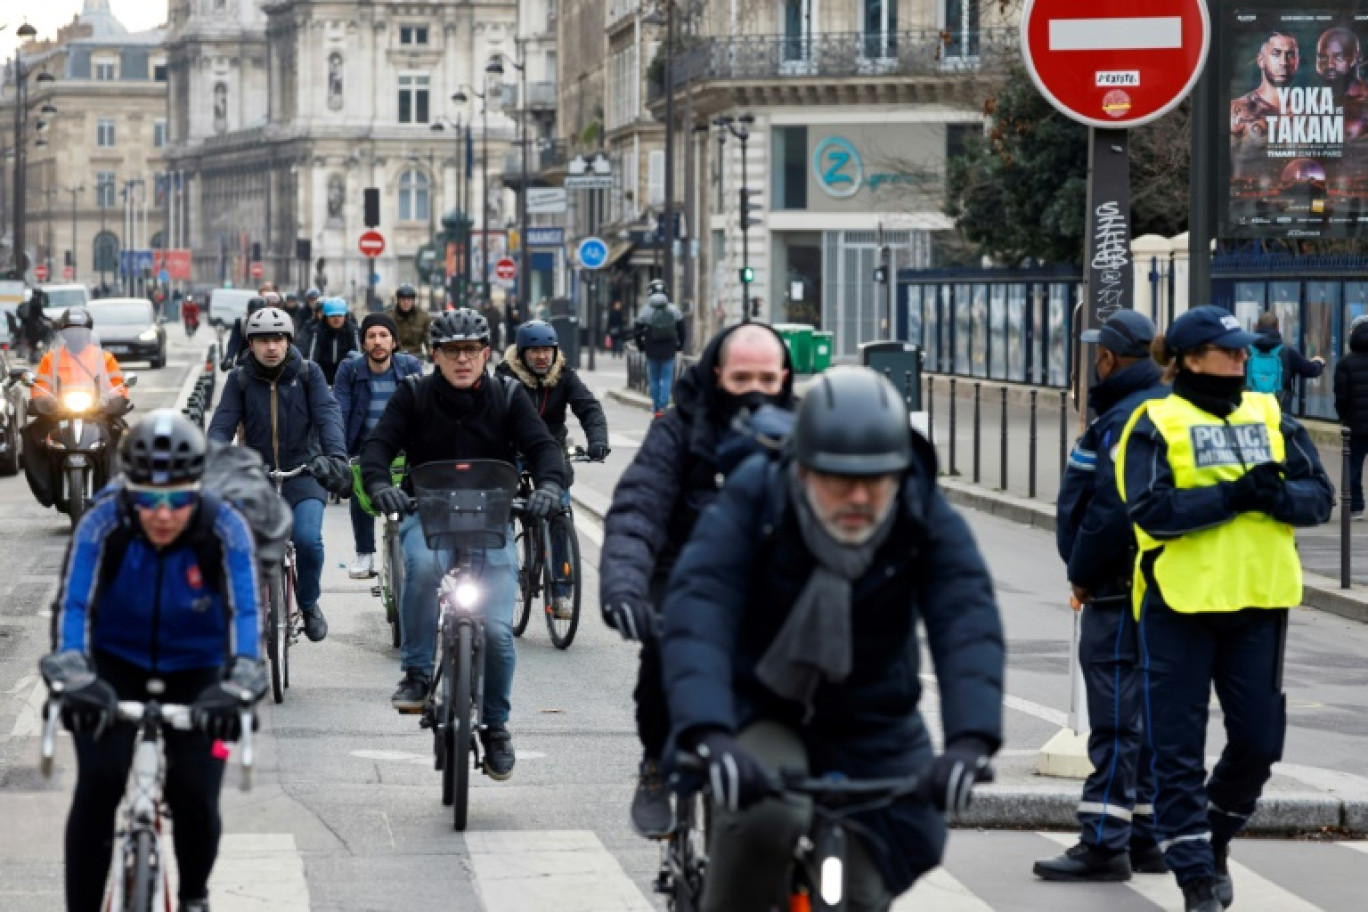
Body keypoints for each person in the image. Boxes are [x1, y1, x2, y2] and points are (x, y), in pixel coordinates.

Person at [661, 367, 1004, 911]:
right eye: (840, 480)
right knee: (765, 819)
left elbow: (966, 618)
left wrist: (971, 740)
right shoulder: (758, 494)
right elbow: (700, 606)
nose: (861, 497)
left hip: (874, 718)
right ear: (802, 472)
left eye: (877, 480)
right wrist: (710, 731)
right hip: (762, 705)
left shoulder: (921, 512)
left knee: (872, 884)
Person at [1116, 305, 1334, 912]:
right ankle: (1195, 880)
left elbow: (1321, 498)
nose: (1242, 359)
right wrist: (1233, 496)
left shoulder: (1271, 414)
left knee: (1260, 745)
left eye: (1243, 350)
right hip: (1179, 605)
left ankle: (1211, 838)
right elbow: (1152, 511)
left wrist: (1280, 497)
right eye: (1229, 351)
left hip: (1259, 602)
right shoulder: (1155, 421)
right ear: (1188, 359)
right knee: (1177, 751)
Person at [42, 410, 268, 912]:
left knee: (195, 791)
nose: (163, 514)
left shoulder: (224, 525)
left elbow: (246, 612)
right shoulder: (103, 519)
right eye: (148, 499)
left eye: (178, 499)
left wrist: (239, 684)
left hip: (199, 669)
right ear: (129, 492)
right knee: (98, 784)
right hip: (111, 666)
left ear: (197, 490)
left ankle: (193, 896)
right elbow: (72, 606)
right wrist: (73, 676)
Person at [600, 323, 795, 837]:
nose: (754, 389)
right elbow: (638, 508)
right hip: (682, 579)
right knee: (664, 656)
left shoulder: (804, 434)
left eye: (767, 378)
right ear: (716, 375)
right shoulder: (678, 429)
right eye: (741, 377)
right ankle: (656, 768)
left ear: (785, 379)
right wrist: (624, 586)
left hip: (771, 584)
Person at [360, 308, 567, 778]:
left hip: (492, 521)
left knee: (496, 632)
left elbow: (543, 448)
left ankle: (496, 727)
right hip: (428, 516)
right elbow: (378, 448)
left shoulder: (509, 396)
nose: (462, 360)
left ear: (486, 354)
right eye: (452, 351)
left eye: (471, 350)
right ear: (435, 355)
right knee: (423, 567)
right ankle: (415, 673)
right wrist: (380, 485)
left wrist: (550, 487)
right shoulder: (412, 395)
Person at [1034, 311, 1169, 884]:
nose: (1094, 363)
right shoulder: (1156, 409)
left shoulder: (1122, 418)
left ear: (1110, 359)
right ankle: (1144, 835)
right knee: (1145, 717)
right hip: (1152, 589)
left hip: (1117, 588)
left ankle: (1103, 843)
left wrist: (1083, 572)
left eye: (1098, 354)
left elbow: (1111, 510)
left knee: (1115, 716)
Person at [207, 306, 351, 644]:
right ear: (251, 344)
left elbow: (329, 415)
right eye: (262, 340)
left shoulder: (308, 374)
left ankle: (310, 603)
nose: (271, 347)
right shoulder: (240, 379)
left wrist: (336, 458)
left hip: (304, 471)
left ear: (288, 341)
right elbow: (222, 423)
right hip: (255, 477)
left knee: (307, 541)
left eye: (277, 339)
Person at [494, 320, 610, 617]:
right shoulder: (504, 377)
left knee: (559, 513)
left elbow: (589, 408)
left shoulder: (564, 376)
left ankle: (561, 593)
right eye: (534, 351)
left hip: (550, 451)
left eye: (547, 350)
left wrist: (597, 441)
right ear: (521, 354)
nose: (542, 356)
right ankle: (501, 582)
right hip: (513, 450)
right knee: (502, 511)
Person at [334, 313, 423, 578]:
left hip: (404, 447)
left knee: (412, 500)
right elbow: (339, 411)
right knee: (361, 492)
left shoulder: (409, 368)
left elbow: (422, 410)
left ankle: (410, 550)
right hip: (365, 448)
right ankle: (364, 553)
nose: (378, 342)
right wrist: (339, 452)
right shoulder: (350, 370)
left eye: (384, 336)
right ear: (363, 343)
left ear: (394, 342)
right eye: (371, 336)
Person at [24, 307, 131, 506]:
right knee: (31, 434)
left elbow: (119, 386)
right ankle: (47, 486)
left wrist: (115, 399)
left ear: (88, 333)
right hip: (59, 412)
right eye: (70, 331)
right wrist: (44, 401)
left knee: (121, 434)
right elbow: (39, 388)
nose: (75, 336)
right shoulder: (51, 358)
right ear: (63, 334)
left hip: (96, 411)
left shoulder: (103, 357)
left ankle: (114, 488)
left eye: (80, 331)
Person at [1231, 30, 1300, 170]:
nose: (1283, 63)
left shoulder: (1313, 109)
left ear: (1297, 62)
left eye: (1290, 55)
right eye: (1276, 53)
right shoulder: (1237, 109)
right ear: (1261, 60)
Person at [1246, 311, 1324, 410]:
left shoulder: (1245, 351)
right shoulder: (1287, 352)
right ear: (1277, 328)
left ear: (1256, 326)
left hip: (1251, 410)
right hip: (1280, 409)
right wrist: (1319, 362)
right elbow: (1310, 370)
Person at [1334, 314, 1368, 520]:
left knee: (1353, 464)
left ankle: (1355, 505)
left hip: (1356, 424)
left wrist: (1344, 416)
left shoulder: (1345, 363)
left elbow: (1341, 395)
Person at [634, 288, 686, 416]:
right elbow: (682, 330)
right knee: (667, 377)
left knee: (654, 378)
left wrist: (641, 346)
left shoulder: (645, 311)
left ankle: (656, 405)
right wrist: (680, 345)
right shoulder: (674, 310)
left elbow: (636, 331)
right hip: (669, 348)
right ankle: (664, 406)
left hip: (651, 348)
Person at [304, 297, 360, 386]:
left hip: (346, 376)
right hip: (322, 376)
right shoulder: (317, 331)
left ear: (345, 317)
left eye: (339, 315)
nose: (336, 319)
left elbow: (358, 358)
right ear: (326, 317)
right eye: (332, 316)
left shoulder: (352, 331)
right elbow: (312, 358)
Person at [220, 296, 267, 370]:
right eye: (253, 313)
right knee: (234, 378)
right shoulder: (241, 323)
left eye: (259, 314)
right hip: (244, 362)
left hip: (266, 362)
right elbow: (234, 342)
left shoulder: (271, 325)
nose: (256, 316)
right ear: (248, 312)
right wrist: (229, 358)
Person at [385, 283, 431, 358]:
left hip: (416, 356)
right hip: (394, 356)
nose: (406, 302)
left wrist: (431, 352)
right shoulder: (389, 317)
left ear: (413, 301)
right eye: (403, 299)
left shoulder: (423, 317)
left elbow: (428, 339)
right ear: (398, 300)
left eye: (409, 299)